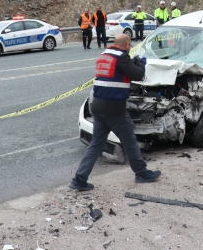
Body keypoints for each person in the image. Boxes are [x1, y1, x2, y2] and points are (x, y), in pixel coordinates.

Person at [69, 34, 161, 190]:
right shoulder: (122, 57)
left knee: (96, 144)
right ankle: (141, 173)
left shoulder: (103, 55)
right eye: (129, 45)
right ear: (126, 45)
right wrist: (140, 64)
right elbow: (138, 75)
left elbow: (116, 74)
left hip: (97, 105)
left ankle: (79, 179)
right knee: (130, 140)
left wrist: (133, 64)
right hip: (113, 108)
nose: (130, 48)